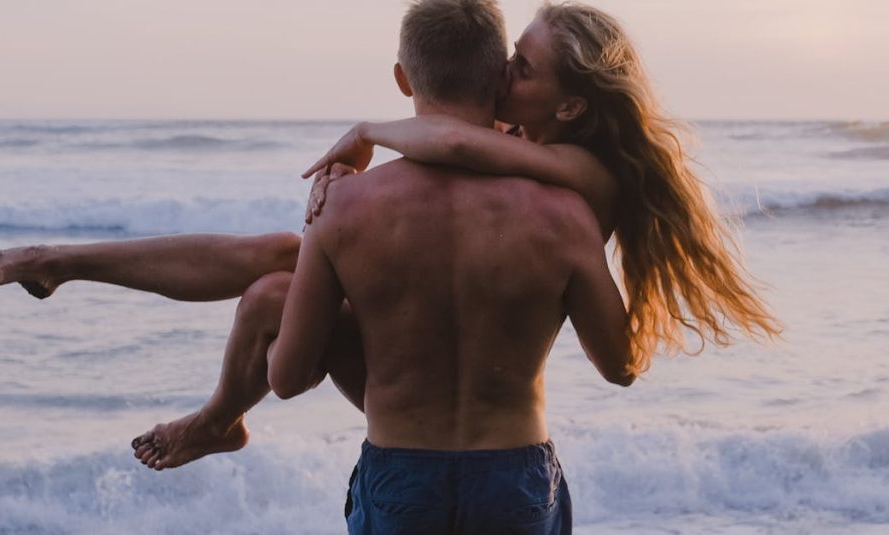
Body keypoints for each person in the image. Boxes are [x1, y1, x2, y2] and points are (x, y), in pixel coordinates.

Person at [0, 0, 781, 471]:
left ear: (570, 106)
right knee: (280, 260)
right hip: (494, 435)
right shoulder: (540, 161)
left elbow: (452, 140)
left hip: (419, 423)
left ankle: (203, 407)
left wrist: (367, 127)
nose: (505, 76)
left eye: (522, 69)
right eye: (510, 60)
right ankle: (60, 263)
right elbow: (454, 144)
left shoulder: (580, 177)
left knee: (282, 277)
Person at [266, 1, 627, 531]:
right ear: (500, 74)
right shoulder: (566, 214)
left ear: (402, 78)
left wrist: (268, 320)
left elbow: (288, 378)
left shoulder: (341, 206)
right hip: (515, 477)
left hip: (401, 477)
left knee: (263, 277)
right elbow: (620, 365)